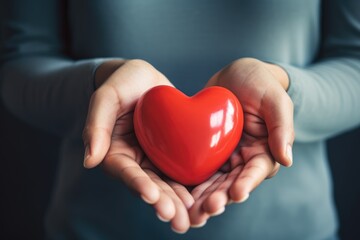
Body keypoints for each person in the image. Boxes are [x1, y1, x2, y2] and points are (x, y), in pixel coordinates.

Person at [1, 0, 359, 239]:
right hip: (95, 229)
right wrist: (100, 83)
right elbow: (22, 59)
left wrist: (284, 92)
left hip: (289, 230)